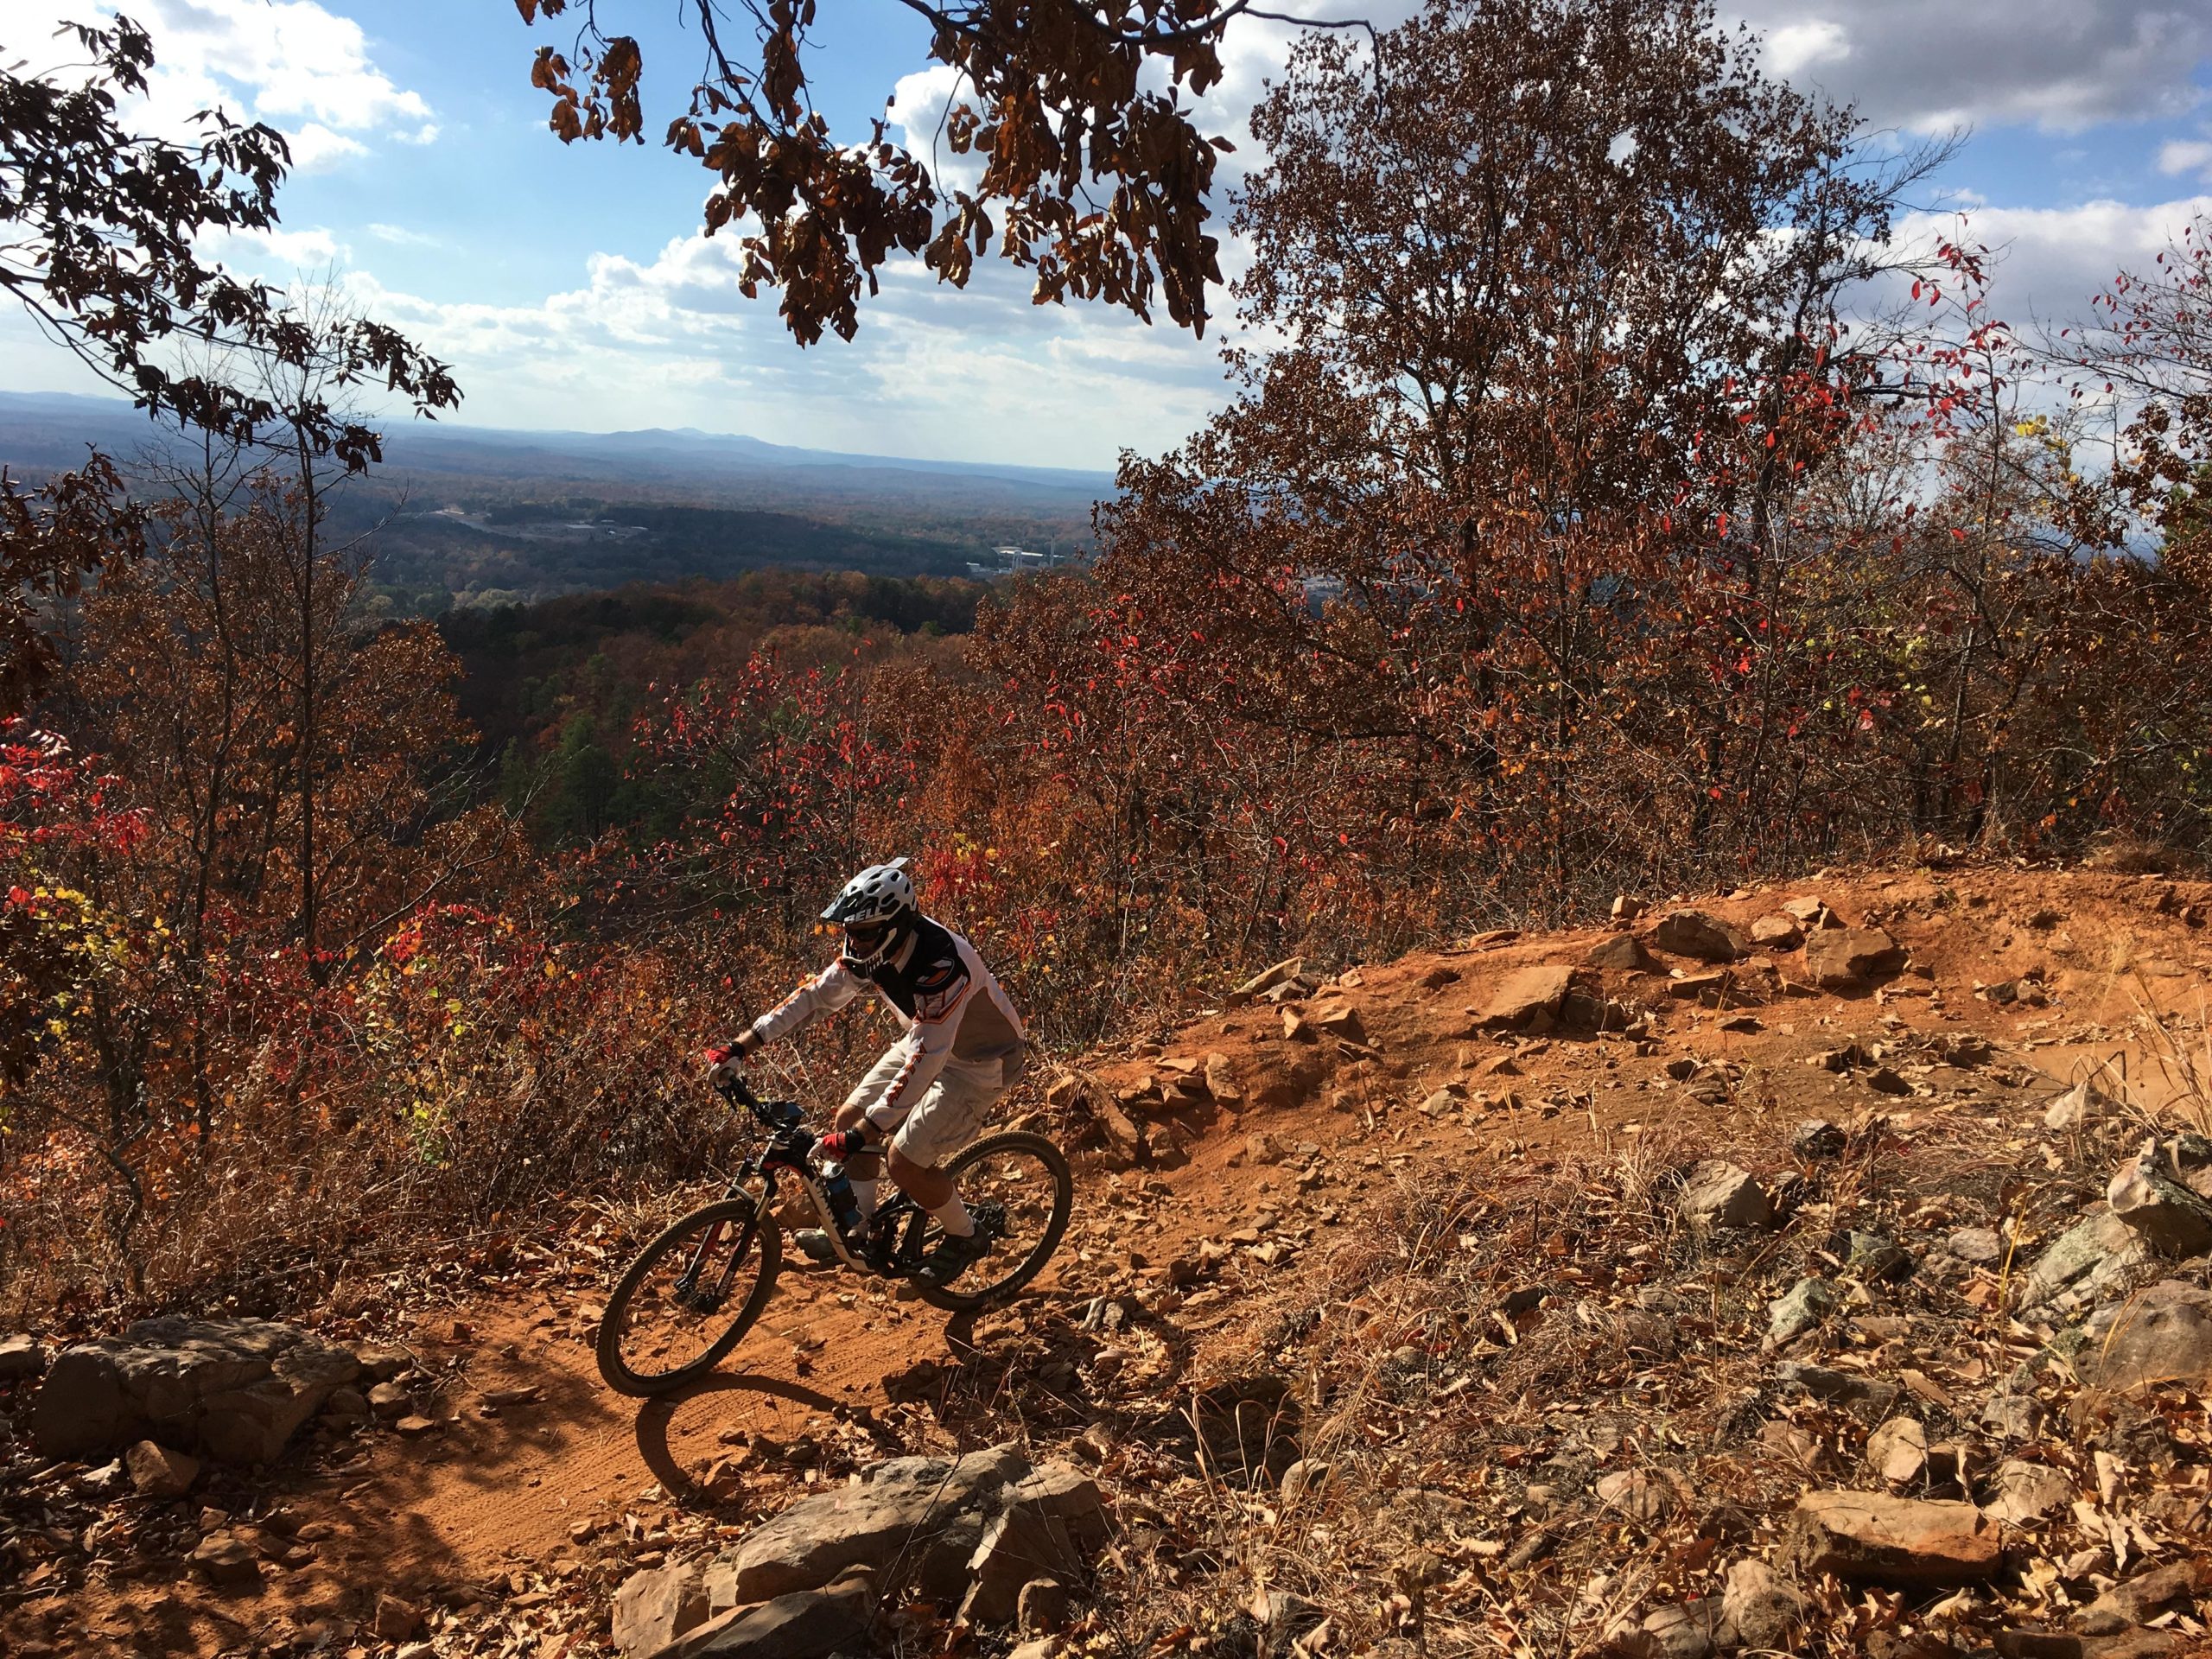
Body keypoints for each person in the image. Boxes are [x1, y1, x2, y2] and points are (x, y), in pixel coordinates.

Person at [706, 859, 1027, 1285]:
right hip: (926, 1039)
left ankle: (966, 1235)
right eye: (849, 933)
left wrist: (870, 1131)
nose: (853, 943)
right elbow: (815, 997)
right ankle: (864, 1228)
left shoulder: (942, 966)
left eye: (862, 933)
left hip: (981, 1064)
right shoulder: (873, 950)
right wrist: (742, 1045)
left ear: (896, 925)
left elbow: (929, 1057)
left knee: (903, 1161)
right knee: (846, 1119)